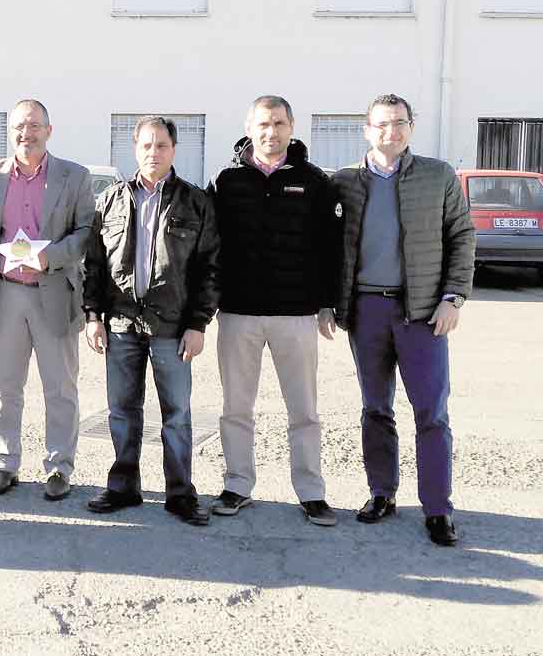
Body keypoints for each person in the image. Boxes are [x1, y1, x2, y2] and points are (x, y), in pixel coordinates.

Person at [326, 94, 475, 546]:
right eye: (383, 124)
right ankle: (381, 494)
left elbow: (462, 236)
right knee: (375, 408)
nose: (392, 132)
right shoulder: (345, 182)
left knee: (432, 413)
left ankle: (437, 508)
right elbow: (328, 248)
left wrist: (453, 298)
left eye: (400, 123)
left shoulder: (438, 176)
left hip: (424, 312)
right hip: (366, 310)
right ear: (366, 129)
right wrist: (329, 301)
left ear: (411, 126)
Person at [206, 95, 342, 527]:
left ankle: (311, 491)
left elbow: (330, 248)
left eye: (280, 123)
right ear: (249, 126)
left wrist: (325, 304)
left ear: (292, 126)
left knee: (303, 410)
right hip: (238, 313)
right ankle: (238, 484)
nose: (272, 131)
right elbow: (210, 249)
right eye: (264, 123)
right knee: (236, 408)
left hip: (296, 314)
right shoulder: (224, 182)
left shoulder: (315, 181)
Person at [82, 117, 221, 525]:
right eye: (146, 145)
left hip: (173, 328)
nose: (153, 153)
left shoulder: (195, 203)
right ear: (135, 149)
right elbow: (94, 266)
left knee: (176, 414)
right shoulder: (109, 201)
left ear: (173, 150)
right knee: (122, 411)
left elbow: (211, 267)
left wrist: (198, 324)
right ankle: (124, 487)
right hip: (121, 324)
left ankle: (180, 494)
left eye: (161, 145)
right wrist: (93, 317)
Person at [0, 99, 94, 501]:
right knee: (4, 386)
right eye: (19, 127)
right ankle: (5, 463)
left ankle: (59, 466)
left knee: (60, 387)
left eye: (34, 126)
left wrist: (51, 256)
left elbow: (85, 232)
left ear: (49, 129)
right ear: (10, 132)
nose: (26, 134)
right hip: (6, 294)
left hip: (53, 292)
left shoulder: (74, 176)